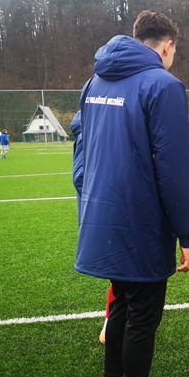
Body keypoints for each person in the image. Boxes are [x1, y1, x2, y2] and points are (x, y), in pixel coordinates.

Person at [75, 10, 189, 377]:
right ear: (168, 45)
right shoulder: (163, 85)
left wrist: (90, 196)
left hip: (102, 214)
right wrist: (187, 235)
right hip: (140, 222)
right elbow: (173, 169)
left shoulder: (95, 81)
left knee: (121, 307)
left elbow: (80, 150)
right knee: (142, 316)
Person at [70, 109, 112, 346]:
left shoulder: (94, 123)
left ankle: (113, 322)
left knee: (123, 275)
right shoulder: (92, 129)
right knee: (125, 274)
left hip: (103, 212)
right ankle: (111, 323)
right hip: (108, 213)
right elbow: (82, 178)